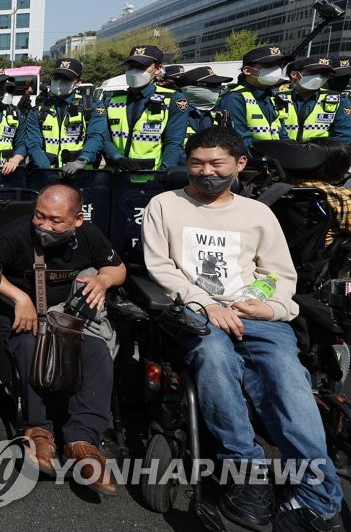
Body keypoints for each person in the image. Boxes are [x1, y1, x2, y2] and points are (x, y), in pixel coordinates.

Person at [142, 125, 342, 532]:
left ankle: (319, 499)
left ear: (240, 164)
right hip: (196, 313)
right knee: (215, 358)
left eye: (217, 163)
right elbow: (160, 268)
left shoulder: (257, 214)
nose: (206, 172)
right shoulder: (164, 205)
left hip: (256, 314)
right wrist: (207, 304)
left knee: (289, 380)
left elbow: (276, 274)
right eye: (196, 164)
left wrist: (266, 305)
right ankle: (246, 474)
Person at [0, 183, 126, 496]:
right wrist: (18, 297)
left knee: (96, 351)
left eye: (55, 220)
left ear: (77, 221)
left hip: (66, 319)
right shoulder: (18, 233)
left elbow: (118, 267)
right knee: (30, 343)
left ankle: (82, 441)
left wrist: (104, 279)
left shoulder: (89, 235)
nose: (44, 225)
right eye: (40, 216)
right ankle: (38, 429)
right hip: (21, 318)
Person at [102, 45, 189, 171]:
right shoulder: (112, 101)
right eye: (131, 66)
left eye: (142, 66)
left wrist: (163, 174)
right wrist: (117, 157)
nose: (134, 71)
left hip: (152, 177)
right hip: (116, 176)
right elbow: (103, 137)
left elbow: (174, 144)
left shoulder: (173, 99)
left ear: (158, 69)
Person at [23, 58, 108, 176]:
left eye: (66, 78)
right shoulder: (38, 110)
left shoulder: (91, 106)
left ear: (78, 82)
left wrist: (82, 161)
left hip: (81, 175)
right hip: (47, 174)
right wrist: (47, 170)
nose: (59, 82)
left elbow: (96, 136)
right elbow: (33, 143)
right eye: (56, 77)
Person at [217, 45, 291, 150]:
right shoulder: (234, 98)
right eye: (269, 65)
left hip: (276, 162)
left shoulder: (273, 98)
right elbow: (239, 141)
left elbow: (282, 134)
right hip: (250, 164)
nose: (277, 69)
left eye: (280, 65)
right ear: (247, 70)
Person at [288, 137, 351, 247]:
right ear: (339, 168)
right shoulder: (337, 197)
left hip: (286, 249)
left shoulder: (282, 187)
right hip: (321, 257)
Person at [277, 56, 351, 143]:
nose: (319, 77)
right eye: (314, 72)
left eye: (324, 74)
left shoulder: (339, 100)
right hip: (282, 152)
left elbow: (343, 137)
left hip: (322, 154)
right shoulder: (277, 98)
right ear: (295, 75)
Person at [171, 66, 231, 138]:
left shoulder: (220, 116)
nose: (217, 89)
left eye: (219, 85)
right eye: (213, 85)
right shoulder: (172, 112)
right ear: (189, 88)